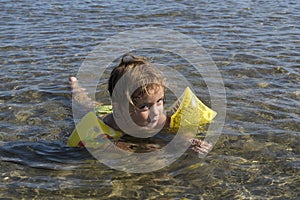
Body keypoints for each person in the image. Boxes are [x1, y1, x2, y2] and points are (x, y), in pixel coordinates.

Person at [69, 54, 212, 154]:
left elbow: (181, 134)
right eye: (144, 106)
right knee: (84, 102)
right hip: (102, 113)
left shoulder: (158, 117)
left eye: (159, 101)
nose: (156, 112)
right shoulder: (102, 131)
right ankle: (75, 86)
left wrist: (187, 141)